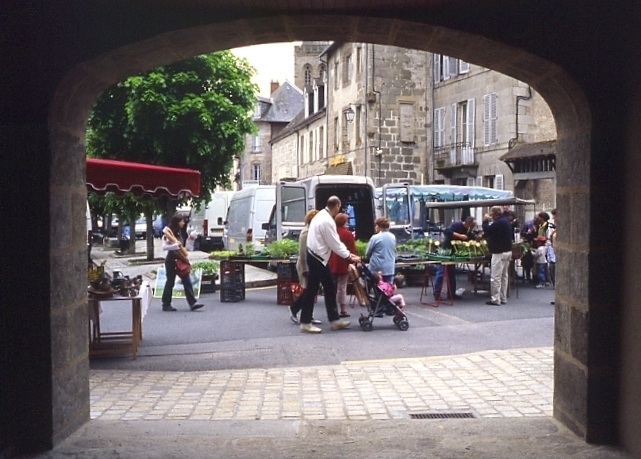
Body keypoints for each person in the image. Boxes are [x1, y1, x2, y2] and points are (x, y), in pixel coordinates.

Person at [298, 196, 361, 333]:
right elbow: (335, 243)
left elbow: (333, 243)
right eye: (340, 206)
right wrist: (349, 256)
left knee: (329, 288)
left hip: (316, 255)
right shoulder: (327, 221)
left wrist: (348, 255)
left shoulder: (320, 216)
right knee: (313, 290)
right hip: (318, 258)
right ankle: (306, 322)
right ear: (337, 206)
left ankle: (334, 320)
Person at [161, 214, 204, 312]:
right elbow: (164, 247)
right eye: (181, 221)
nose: (183, 223)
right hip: (171, 261)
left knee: (187, 281)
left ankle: (192, 303)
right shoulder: (169, 233)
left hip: (180, 260)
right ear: (177, 222)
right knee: (170, 282)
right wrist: (176, 245)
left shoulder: (179, 232)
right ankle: (166, 304)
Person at [287, 209, 321, 325]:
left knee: (311, 292)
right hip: (305, 266)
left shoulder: (313, 231)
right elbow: (302, 253)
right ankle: (294, 309)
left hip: (313, 265)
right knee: (308, 291)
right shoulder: (306, 233)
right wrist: (305, 269)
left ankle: (308, 315)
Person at [433, 216, 476, 300]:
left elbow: (471, 236)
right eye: (472, 225)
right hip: (447, 250)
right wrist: (460, 236)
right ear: (467, 223)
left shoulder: (468, 230)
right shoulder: (456, 225)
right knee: (441, 272)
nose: (472, 227)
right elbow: (447, 231)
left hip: (455, 252)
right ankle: (437, 293)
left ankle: (451, 294)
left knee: (451, 273)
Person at [482, 206, 513, 306]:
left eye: (491, 214)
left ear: (495, 214)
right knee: (504, 276)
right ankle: (503, 297)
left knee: (496, 277)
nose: (491, 216)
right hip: (507, 251)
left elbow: (488, 231)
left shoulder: (499, 222)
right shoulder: (506, 221)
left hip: (499, 252)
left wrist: (485, 221)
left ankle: (495, 299)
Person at [328, 212, 357, 318]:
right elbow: (352, 250)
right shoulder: (348, 234)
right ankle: (343, 310)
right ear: (344, 222)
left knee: (331, 287)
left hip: (331, 262)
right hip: (344, 263)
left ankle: (332, 309)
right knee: (342, 287)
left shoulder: (332, 232)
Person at [519, 211, 550, 283]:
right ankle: (529, 276)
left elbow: (542, 235)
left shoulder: (542, 225)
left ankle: (537, 277)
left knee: (540, 262)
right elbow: (523, 233)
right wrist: (528, 233)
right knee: (528, 260)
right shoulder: (529, 224)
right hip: (530, 243)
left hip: (538, 244)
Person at [366, 217, 396, 284]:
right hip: (389, 268)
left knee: (375, 287)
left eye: (376, 225)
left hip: (376, 268)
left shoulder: (375, 238)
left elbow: (368, 253)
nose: (375, 227)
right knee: (388, 289)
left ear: (379, 226)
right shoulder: (393, 237)